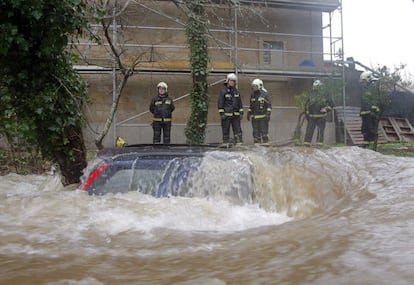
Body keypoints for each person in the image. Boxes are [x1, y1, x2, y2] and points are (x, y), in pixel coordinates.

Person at [303, 79, 334, 147]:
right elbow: (306, 105)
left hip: (321, 117)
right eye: (315, 87)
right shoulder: (311, 95)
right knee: (309, 131)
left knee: (320, 131)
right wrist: (307, 115)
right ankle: (306, 145)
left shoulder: (326, 95)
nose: (315, 89)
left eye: (317, 87)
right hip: (312, 117)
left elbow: (331, 105)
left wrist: (326, 109)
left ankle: (319, 145)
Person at [218, 73, 244, 146]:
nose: (232, 82)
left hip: (236, 116)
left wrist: (241, 113)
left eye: (233, 81)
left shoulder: (236, 92)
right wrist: (222, 114)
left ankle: (239, 144)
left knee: (238, 130)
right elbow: (220, 103)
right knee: (225, 130)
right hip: (226, 116)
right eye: (231, 81)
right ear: (228, 81)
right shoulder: (223, 91)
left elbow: (240, 103)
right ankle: (226, 143)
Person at [247, 78, 272, 145]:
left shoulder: (265, 95)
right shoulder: (253, 95)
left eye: (255, 86)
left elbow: (269, 105)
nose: (254, 88)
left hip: (263, 117)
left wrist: (268, 114)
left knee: (264, 131)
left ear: (259, 86)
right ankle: (257, 143)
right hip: (254, 117)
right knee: (255, 131)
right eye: (253, 86)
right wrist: (249, 113)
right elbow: (251, 105)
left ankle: (265, 142)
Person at [359, 71, 380, 147]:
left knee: (371, 130)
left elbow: (376, 101)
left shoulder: (373, 88)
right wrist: (362, 111)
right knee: (364, 129)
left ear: (368, 79)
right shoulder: (365, 89)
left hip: (371, 114)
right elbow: (364, 101)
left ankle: (372, 145)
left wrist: (373, 111)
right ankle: (366, 144)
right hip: (365, 113)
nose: (362, 83)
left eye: (364, 81)